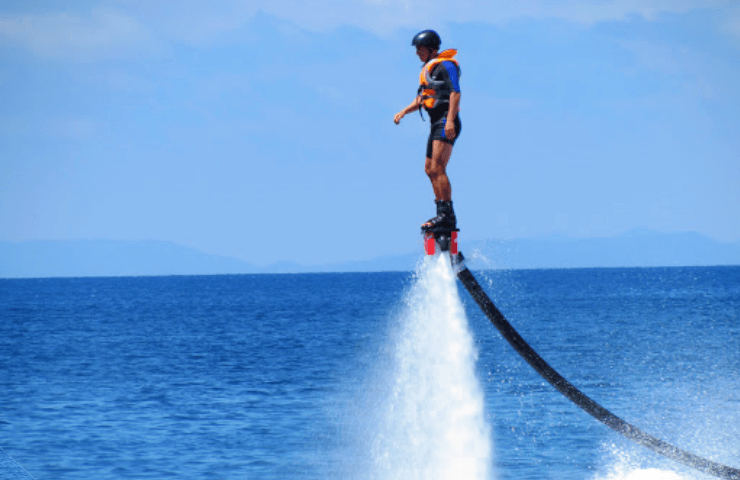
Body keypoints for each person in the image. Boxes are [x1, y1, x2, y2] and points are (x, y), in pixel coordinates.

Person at [394, 29, 461, 233]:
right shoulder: (428, 69)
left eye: (420, 49)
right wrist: (405, 111)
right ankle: (441, 211)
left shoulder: (446, 66)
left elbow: (455, 93)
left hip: (445, 122)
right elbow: (423, 98)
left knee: (438, 167)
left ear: (431, 49)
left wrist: (450, 121)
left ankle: (447, 216)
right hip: (435, 123)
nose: (417, 53)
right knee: (429, 169)